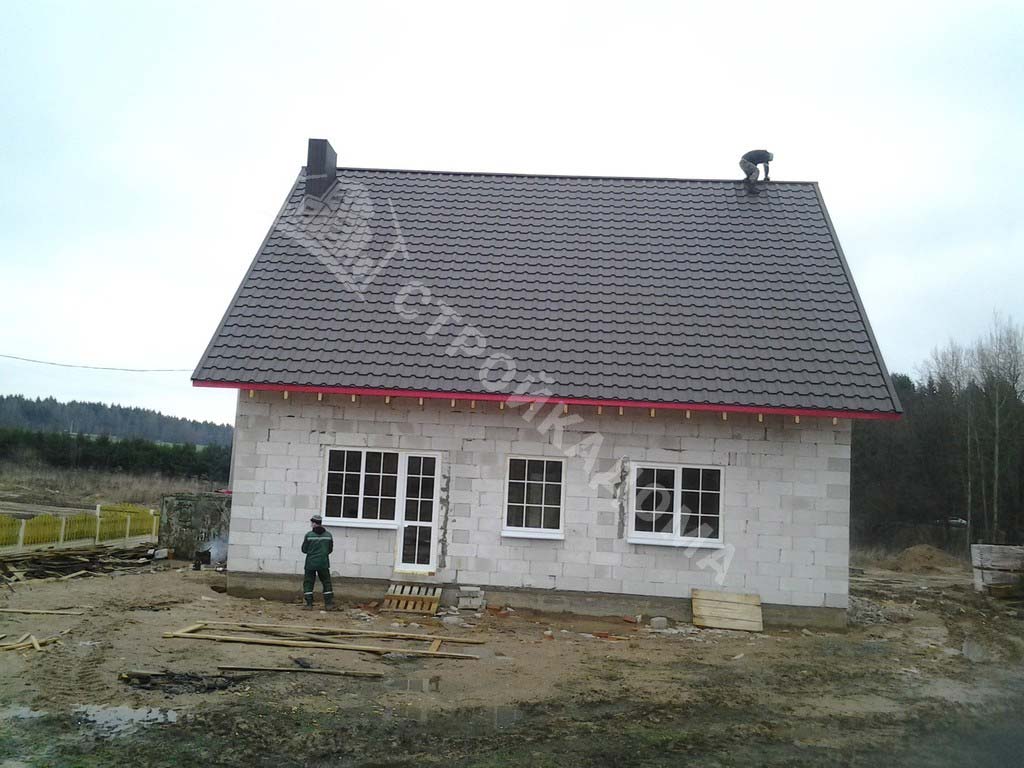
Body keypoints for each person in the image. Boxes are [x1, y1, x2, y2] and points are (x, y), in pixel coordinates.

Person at [301, 514, 334, 609]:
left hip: (310, 563)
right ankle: (328, 604)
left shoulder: (309, 535)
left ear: (314, 523)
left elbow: (304, 549)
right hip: (323, 563)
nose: (311, 524)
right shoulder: (328, 535)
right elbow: (330, 549)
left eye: (312, 523)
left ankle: (309, 604)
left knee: (308, 582)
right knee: (326, 582)